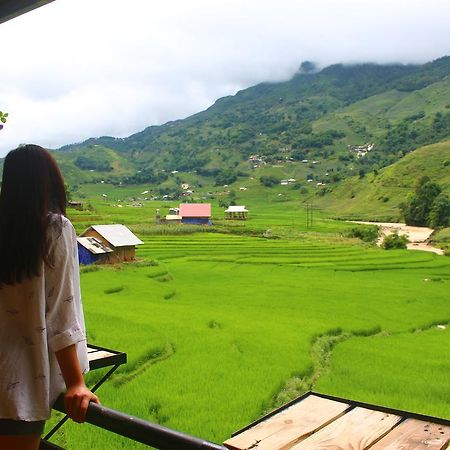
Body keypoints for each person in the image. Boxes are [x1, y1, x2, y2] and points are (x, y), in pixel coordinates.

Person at [0, 145, 99, 450]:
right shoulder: (55, 228)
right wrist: (76, 384)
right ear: (50, 181)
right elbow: (61, 312)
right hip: (22, 385)